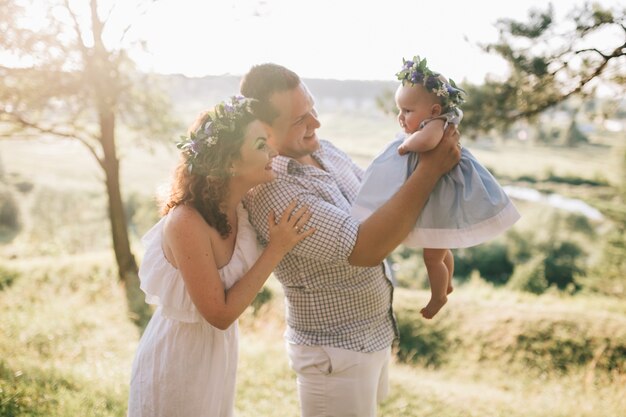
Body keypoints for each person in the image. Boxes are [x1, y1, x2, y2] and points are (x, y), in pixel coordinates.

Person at [240, 63, 461, 417]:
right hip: (334, 355)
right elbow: (365, 249)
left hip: (368, 337)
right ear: (265, 131)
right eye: (300, 119)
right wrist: (430, 170)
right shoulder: (273, 189)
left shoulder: (324, 150)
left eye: (311, 108)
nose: (316, 122)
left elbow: (383, 210)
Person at [127, 96, 315, 417]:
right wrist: (276, 248)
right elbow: (220, 314)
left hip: (218, 356)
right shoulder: (186, 221)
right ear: (229, 163)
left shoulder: (243, 208)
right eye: (260, 145)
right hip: (178, 361)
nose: (272, 151)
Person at [352, 55, 520, 319]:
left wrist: (407, 145)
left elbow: (427, 143)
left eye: (407, 111)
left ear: (433, 111)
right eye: (400, 110)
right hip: (439, 200)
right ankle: (448, 282)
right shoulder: (434, 123)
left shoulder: (434, 127)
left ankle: (438, 295)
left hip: (439, 199)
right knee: (440, 247)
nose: (400, 117)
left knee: (432, 257)